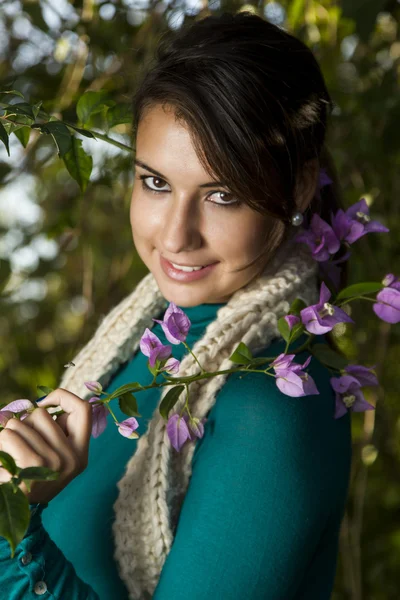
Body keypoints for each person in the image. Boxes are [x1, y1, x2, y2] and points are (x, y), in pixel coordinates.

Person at [0, 11, 352, 599]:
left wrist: (10, 532)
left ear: (297, 187)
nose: (175, 235)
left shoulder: (275, 409)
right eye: (156, 183)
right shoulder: (141, 341)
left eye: (223, 195)